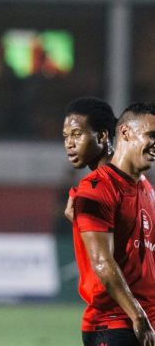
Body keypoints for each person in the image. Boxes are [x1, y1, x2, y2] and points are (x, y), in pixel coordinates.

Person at [71, 102, 155, 346]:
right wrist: (137, 316)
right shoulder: (97, 188)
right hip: (115, 325)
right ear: (126, 133)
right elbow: (102, 263)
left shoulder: (146, 188)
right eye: (151, 135)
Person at [62, 97, 117, 223]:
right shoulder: (136, 178)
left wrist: (82, 223)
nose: (69, 144)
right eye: (66, 136)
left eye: (77, 134)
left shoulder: (94, 189)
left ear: (102, 136)